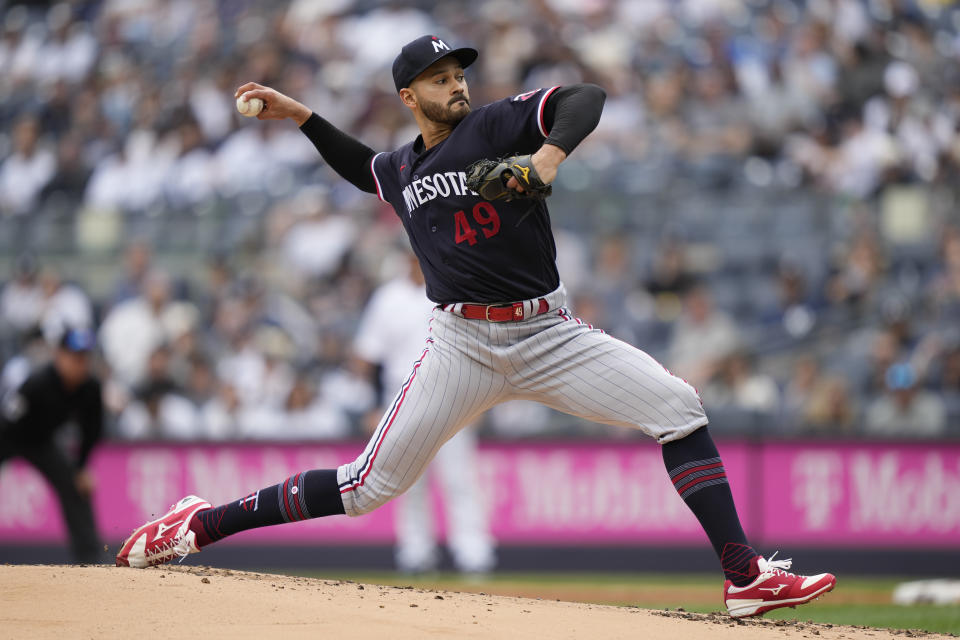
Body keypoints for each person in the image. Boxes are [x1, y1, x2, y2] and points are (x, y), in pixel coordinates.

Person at [116, 35, 835, 618]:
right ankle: (199, 525)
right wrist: (301, 115)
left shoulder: (493, 124)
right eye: (437, 77)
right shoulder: (400, 169)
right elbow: (358, 165)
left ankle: (744, 576)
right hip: (461, 344)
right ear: (409, 97)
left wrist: (546, 156)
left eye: (457, 70)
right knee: (369, 486)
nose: (455, 83)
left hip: (550, 336)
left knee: (680, 409)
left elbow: (586, 97)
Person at [354, 251, 495, 575]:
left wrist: (481, 399)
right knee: (407, 481)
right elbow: (369, 358)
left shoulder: (454, 289)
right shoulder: (388, 297)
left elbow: (479, 347)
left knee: (459, 479)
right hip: (401, 398)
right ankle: (416, 552)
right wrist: (373, 405)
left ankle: (473, 552)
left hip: (454, 397)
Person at [0, 328, 103, 563]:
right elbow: (7, 421)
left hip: (42, 442)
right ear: (59, 356)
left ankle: (92, 561)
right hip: (8, 438)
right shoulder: (37, 384)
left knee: (76, 487)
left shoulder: (90, 387)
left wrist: (81, 467)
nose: (81, 364)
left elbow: (92, 430)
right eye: (75, 357)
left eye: (85, 358)